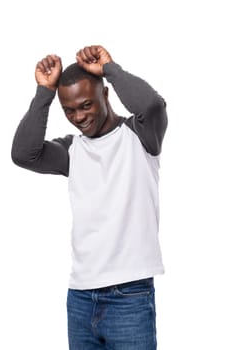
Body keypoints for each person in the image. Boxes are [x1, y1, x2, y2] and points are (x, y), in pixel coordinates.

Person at [11, 45, 168, 349]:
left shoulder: (140, 136)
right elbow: (23, 154)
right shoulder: (72, 150)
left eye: (85, 105)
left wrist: (111, 68)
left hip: (130, 296)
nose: (78, 116)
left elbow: (152, 106)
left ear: (105, 95)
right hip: (81, 297)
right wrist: (44, 92)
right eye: (69, 110)